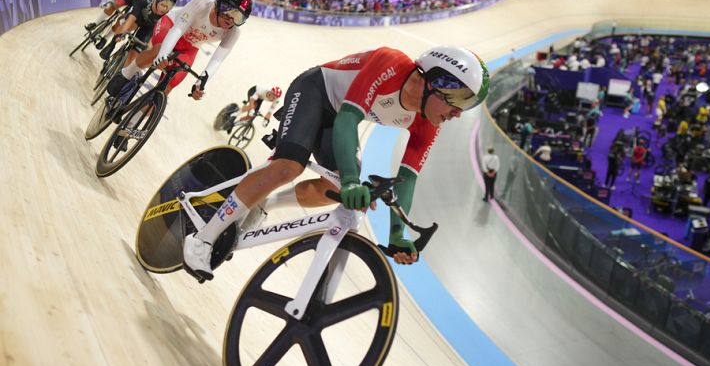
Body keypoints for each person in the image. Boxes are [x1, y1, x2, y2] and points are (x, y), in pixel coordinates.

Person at [182, 45, 490, 280]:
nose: (458, 113)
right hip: (315, 91)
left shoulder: (427, 123)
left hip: (340, 118)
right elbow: (347, 119)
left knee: (343, 191)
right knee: (290, 166)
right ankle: (203, 238)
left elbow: (407, 180)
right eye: (459, 100)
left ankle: (265, 205)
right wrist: (354, 180)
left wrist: (397, 235)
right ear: (434, 82)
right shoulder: (391, 63)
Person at [106, 0, 251, 100]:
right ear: (219, 6)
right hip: (171, 25)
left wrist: (200, 83)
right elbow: (178, 29)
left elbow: (217, 60)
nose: (231, 21)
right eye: (230, 13)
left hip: (191, 46)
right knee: (158, 50)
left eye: (239, 18)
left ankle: (130, 126)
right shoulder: (202, 2)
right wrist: (163, 54)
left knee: (166, 88)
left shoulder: (234, 31)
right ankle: (126, 73)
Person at [98, 0, 177, 62]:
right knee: (125, 26)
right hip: (138, 18)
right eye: (163, 5)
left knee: (135, 54)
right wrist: (121, 34)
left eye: (168, 7)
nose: (165, 9)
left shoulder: (167, 15)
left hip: (149, 27)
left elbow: (155, 36)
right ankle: (111, 45)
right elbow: (131, 18)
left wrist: (149, 48)